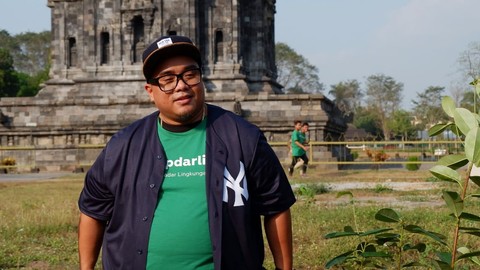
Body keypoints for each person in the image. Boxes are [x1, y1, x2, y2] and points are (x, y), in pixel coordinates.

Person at [77, 35, 296, 270]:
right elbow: (93, 211)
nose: (181, 85)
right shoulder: (123, 146)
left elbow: (276, 206)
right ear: (150, 91)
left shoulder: (243, 137)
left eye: (190, 75)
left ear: (201, 79)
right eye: (167, 79)